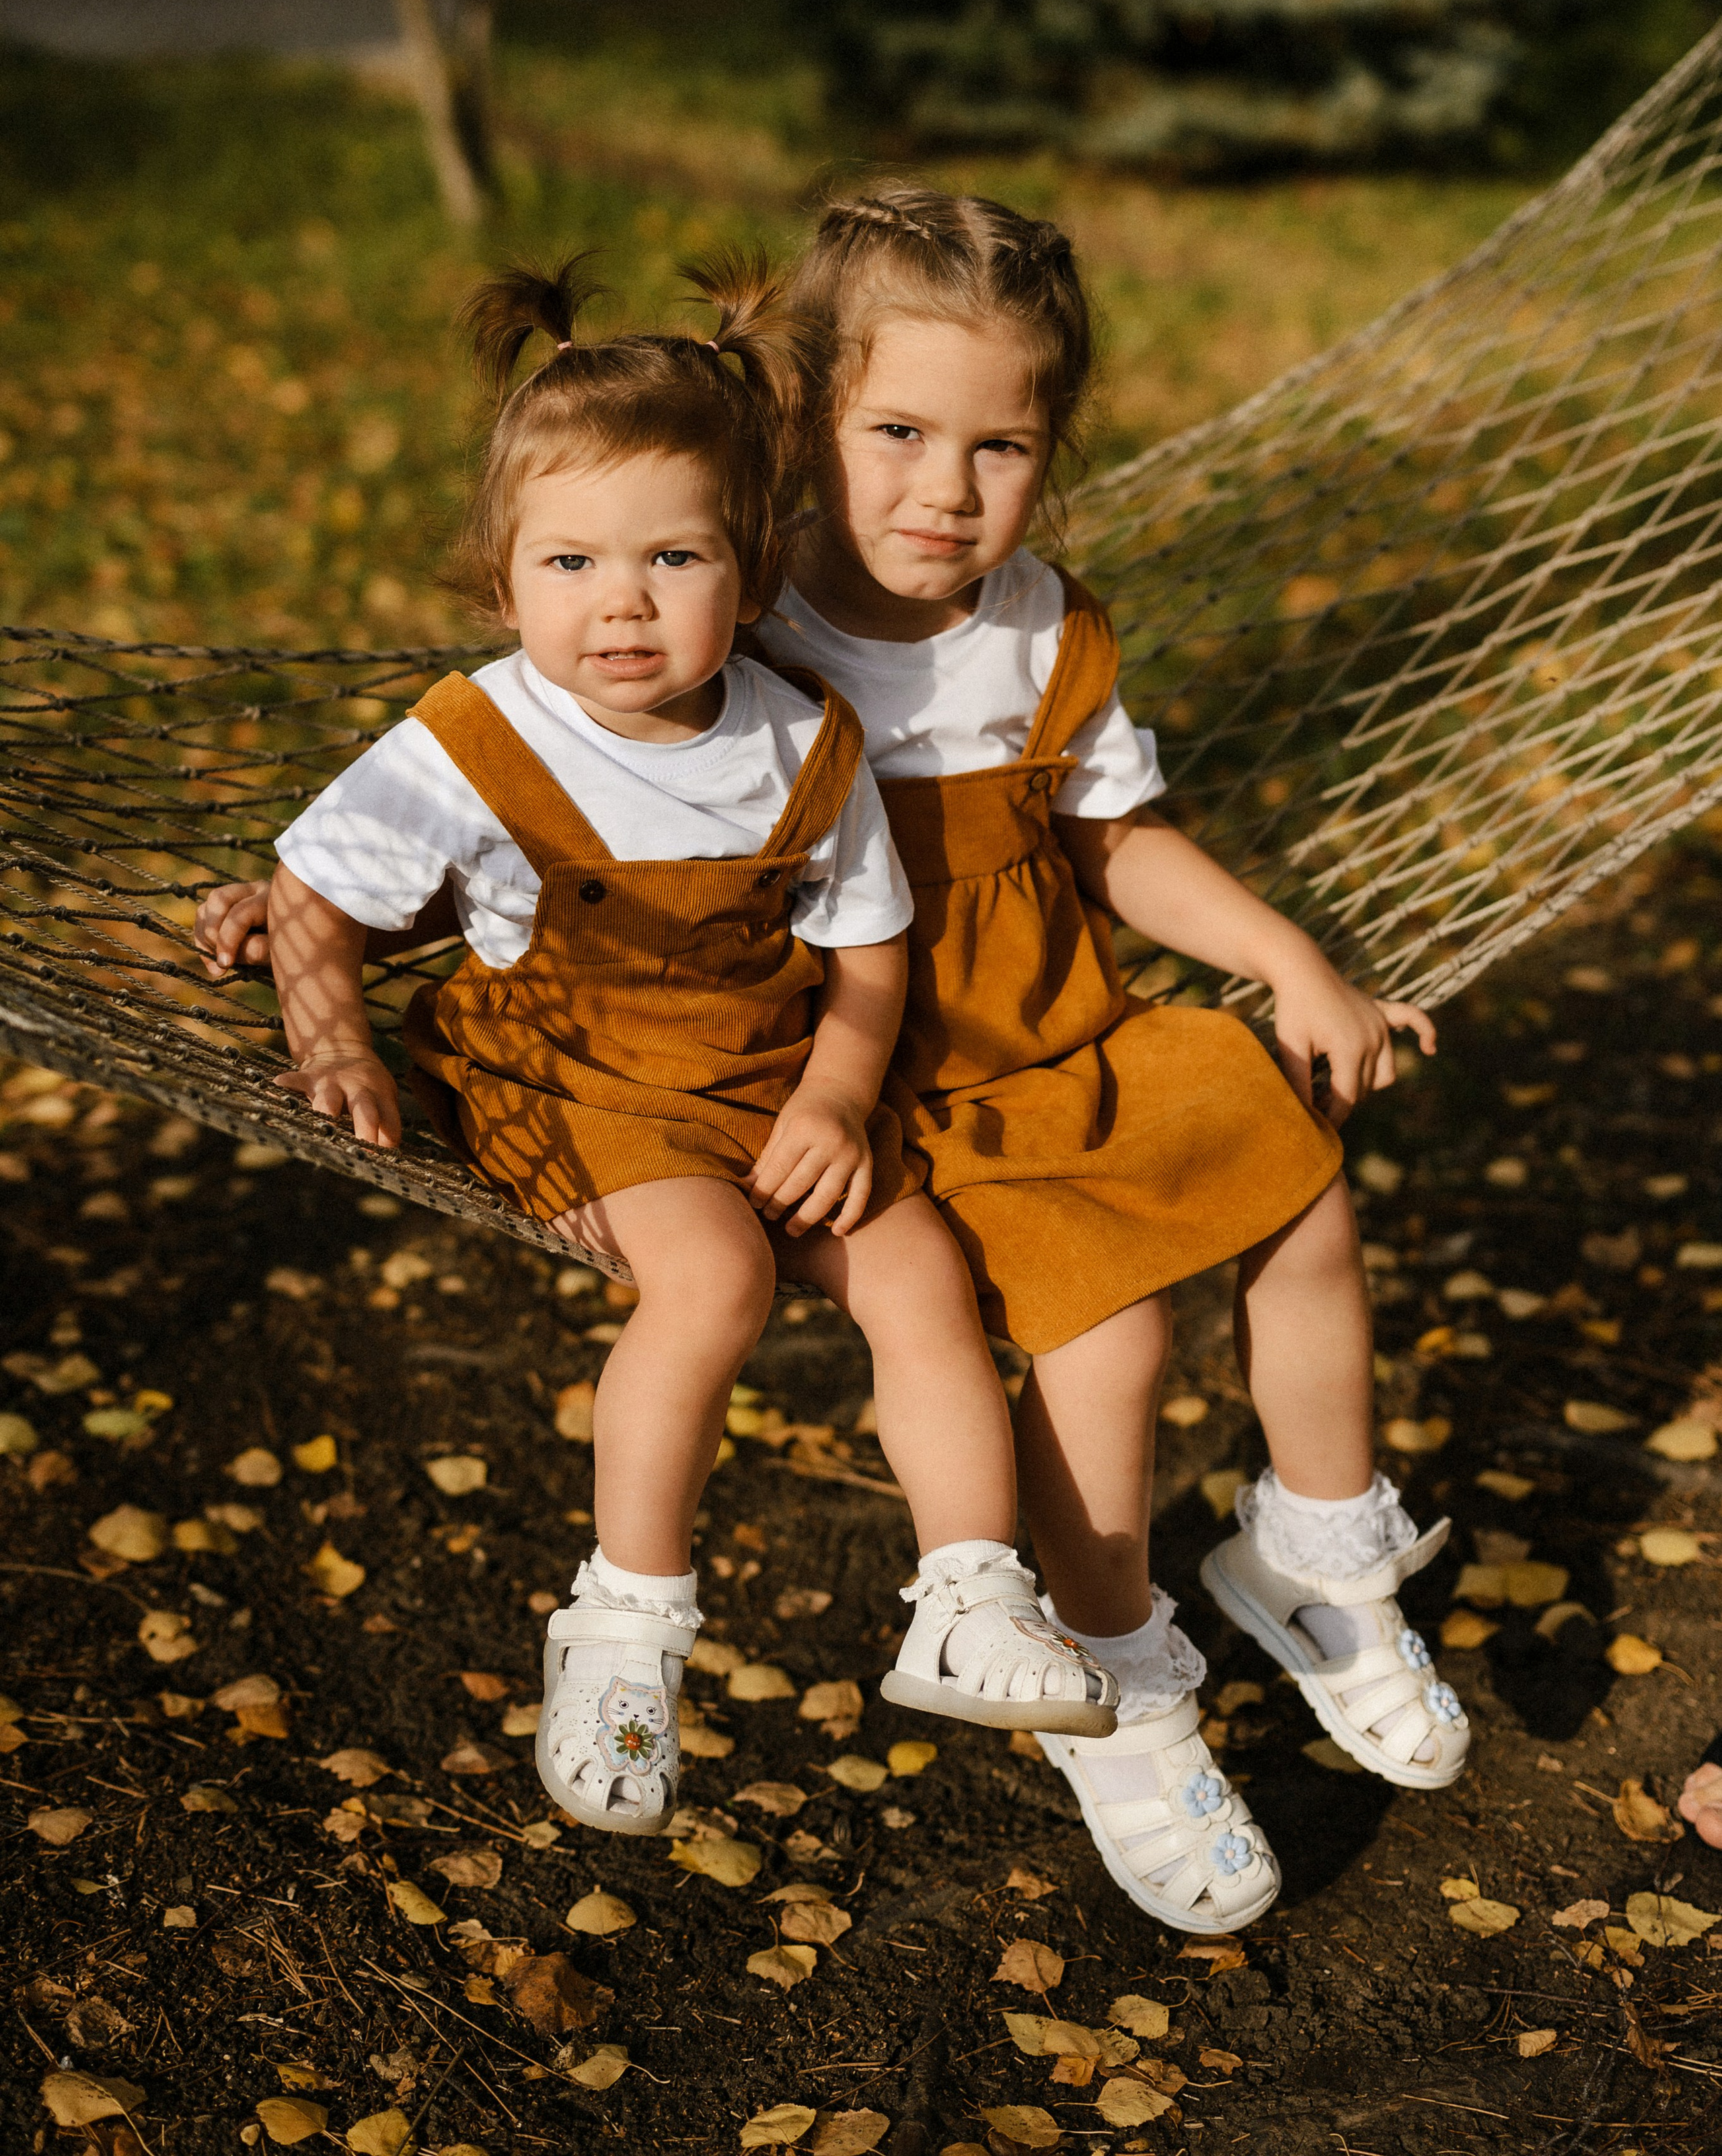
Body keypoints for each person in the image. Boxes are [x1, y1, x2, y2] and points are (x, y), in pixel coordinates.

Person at [256, 249, 1118, 1841]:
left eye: (673, 558)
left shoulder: (802, 731)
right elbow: (312, 897)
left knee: (918, 1268)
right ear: (501, 574)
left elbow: (866, 945)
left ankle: (969, 1593)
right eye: (570, 561)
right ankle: (624, 1624)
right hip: (570, 1081)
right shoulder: (474, 736)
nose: (622, 604)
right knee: (715, 1278)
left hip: (764, 1078)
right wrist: (336, 1042)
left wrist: (844, 1098)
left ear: (751, 569)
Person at [741, 187, 1470, 1933]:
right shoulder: (742, 630)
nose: (947, 489)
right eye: (900, 431)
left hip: (1078, 1033)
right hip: (904, 1090)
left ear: (1051, 454)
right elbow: (554, 781)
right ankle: (1118, 1675)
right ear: (806, 423)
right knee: (1117, 1332)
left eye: (1003, 445)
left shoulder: (1046, 626)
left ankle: (1310, 1544)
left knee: (1296, 1175)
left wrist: (1292, 959)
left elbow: (1117, 845)